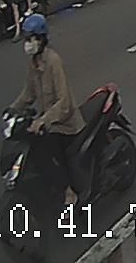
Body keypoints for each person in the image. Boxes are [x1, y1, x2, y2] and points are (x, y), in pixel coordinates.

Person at [9, 13, 85, 206]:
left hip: (64, 124)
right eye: (26, 39)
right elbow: (28, 94)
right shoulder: (33, 63)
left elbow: (64, 102)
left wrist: (43, 120)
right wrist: (12, 109)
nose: (28, 44)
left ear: (41, 40)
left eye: (31, 39)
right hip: (48, 123)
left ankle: (70, 194)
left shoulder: (53, 61)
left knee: (46, 153)